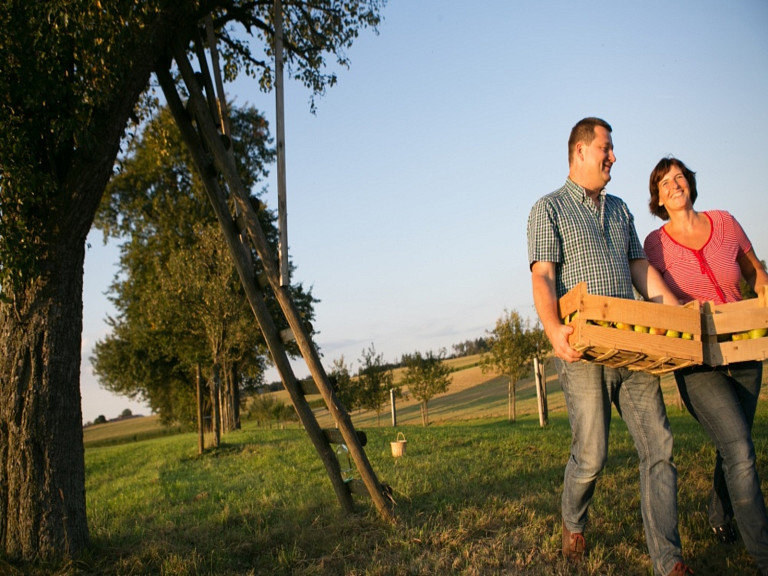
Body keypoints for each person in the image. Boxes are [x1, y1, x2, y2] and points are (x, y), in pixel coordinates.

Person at [527, 118, 692, 576]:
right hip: (582, 347)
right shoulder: (549, 209)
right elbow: (542, 275)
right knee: (593, 453)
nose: (613, 156)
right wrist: (553, 329)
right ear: (580, 151)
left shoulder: (620, 210)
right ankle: (573, 519)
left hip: (632, 345)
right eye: (607, 148)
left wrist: (675, 312)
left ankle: (669, 561)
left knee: (659, 445)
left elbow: (640, 270)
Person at [644, 156, 768, 575]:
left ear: (691, 183)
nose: (674, 184)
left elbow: (757, 275)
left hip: (745, 351)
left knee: (734, 446)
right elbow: (655, 300)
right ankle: (764, 554)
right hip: (697, 362)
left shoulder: (726, 222)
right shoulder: (654, 244)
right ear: (658, 198)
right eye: (664, 182)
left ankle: (719, 512)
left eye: (679, 177)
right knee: (740, 451)